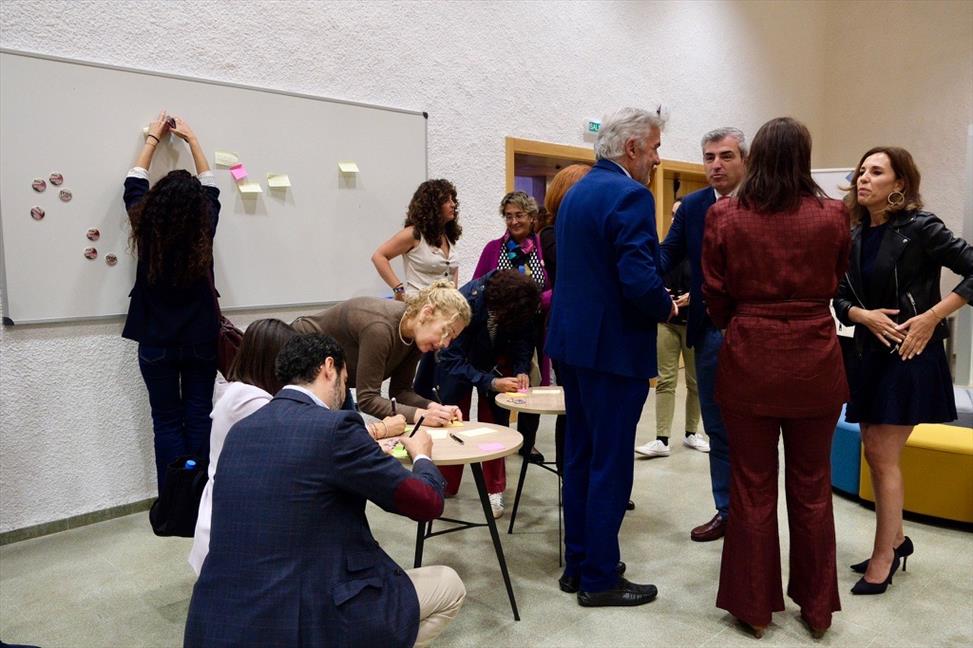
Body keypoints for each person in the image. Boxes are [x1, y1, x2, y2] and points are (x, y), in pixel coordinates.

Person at [184, 334, 466, 648]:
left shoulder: (240, 431)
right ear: (329, 368)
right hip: (296, 623)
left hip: (214, 621)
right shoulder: (336, 428)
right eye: (345, 381)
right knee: (449, 586)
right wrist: (422, 455)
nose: (344, 392)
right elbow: (426, 503)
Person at [702, 117, 851, 639]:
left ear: (757, 156)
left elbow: (714, 291)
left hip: (749, 359)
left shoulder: (725, 215)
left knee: (751, 486)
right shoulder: (834, 215)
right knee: (812, 487)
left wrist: (741, 322)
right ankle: (817, 607)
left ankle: (753, 607)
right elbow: (837, 277)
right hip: (815, 360)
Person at [546, 106, 675, 607]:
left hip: (572, 347)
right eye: (655, 148)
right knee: (611, 464)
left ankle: (578, 563)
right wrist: (666, 305)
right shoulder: (630, 195)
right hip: (613, 351)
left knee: (580, 456)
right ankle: (600, 578)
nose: (658, 159)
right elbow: (637, 279)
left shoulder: (576, 191)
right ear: (633, 147)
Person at [834, 146, 973, 596]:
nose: (864, 178)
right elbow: (838, 294)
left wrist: (933, 316)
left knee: (880, 452)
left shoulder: (921, 227)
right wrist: (861, 315)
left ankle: (884, 557)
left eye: (876, 172)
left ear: (899, 184)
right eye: (862, 171)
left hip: (910, 353)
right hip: (867, 353)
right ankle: (896, 540)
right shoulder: (854, 231)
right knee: (875, 453)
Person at [122, 110, 220, 495]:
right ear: (198, 207)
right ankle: (198, 496)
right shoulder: (205, 226)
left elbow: (134, 182)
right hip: (201, 339)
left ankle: (173, 501)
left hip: (155, 341)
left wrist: (152, 139)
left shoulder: (145, 224)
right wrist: (192, 140)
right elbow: (211, 186)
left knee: (165, 421)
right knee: (199, 417)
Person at [658, 127, 747, 542]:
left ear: (745, 160)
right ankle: (726, 511)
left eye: (726, 156)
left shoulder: (761, 202)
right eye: (709, 157)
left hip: (754, 331)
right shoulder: (694, 207)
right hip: (710, 331)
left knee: (754, 429)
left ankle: (754, 515)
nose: (716, 165)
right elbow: (666, 254)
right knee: (717, 427)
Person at [414, 270, 540, 519]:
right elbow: (450, 357)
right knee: (452, 420)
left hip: (494, 361)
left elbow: (524, 339)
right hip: (456, 364)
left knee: (495, 427)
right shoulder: (467, 302)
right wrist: (490, 382)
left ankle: (494, 490)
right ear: (499, 307)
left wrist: (520, 369)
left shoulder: (520, 303)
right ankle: (444, 483)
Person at [188, 319, 298, 575]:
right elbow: (296, 440)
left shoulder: (237, 390)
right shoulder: (251, 401)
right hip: (233, 524)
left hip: (230, 513)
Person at [291, 281, 471, 427]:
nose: (445, 344)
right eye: (446, 332)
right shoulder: (380, 329)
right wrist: (421, 415)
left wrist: (435, 408)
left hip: (334, 379)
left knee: (350, 437)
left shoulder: (416, 336)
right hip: (300, 363)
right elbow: (367, 399)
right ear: (427, 313)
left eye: (452, 338)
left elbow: (400, 391)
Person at [473, 191, 552, 464]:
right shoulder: (493, 249)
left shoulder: (543, 248)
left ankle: (528, 443)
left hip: (536, 330)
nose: (514, 221)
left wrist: (536, 301)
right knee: (501, 384)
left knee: (531, 383)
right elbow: (478, 285)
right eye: (508, 216)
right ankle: (501, 440)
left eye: (519, 215)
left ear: (531, 217)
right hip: (499, 331)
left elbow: (556, 287)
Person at [636, 199, 706, 458]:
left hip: (693, 322)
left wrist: (695, 296)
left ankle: (691, 432)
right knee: (665, 380)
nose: (677, 219)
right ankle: (662, 439)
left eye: (681, 214)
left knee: (695, 381)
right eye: (674, 214)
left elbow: (713, 282)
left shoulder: (701, 248)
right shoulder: (664, 248)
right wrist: (660, 291)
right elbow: (650, 274)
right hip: (667, 322)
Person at [539, 164, 592, 474]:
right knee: (572, 407)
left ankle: (590, 478)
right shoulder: (550, 232)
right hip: (568, 329)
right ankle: (567, 473)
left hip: (588, 328)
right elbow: (574, 264)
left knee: (593, 411)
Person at [372, 179, 461, 299]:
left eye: (453, 200)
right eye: (446, 200)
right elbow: (378, 256)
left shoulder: (447, 235)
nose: (453, 204)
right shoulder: (413, 234)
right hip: (420, 303)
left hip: (446, 304)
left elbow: (453, 272)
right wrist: (398, 290)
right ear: (433, 205)